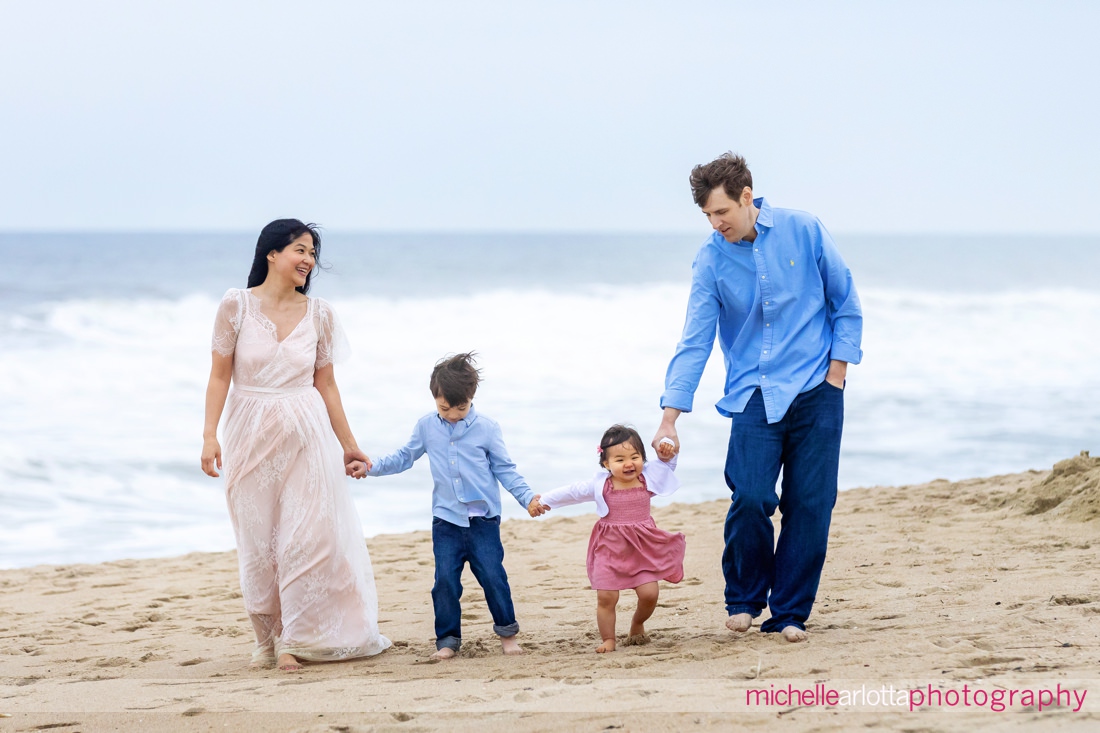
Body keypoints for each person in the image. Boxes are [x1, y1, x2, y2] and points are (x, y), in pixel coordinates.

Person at [652, 152, 863, 643]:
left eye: (721, 211)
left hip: (817, 389)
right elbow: (695, 340)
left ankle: (789, 612)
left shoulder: (804, 230)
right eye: (707, 215)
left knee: (810, 504)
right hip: (752, 393)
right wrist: (670, 418)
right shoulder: (710, 259)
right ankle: (745, 599)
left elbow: (845, 302)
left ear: (747, 197)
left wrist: (837, 374)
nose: (715, 223)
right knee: (749, 496)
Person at [201, 219, 391, 671]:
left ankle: (295, 641)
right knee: (258, 542)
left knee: (304, 540)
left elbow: (326, 385)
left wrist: (349, 444)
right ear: (272, 253)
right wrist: (209, 435)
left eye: (312, 253)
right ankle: (266, 641)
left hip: (308, 434)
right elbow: (219, 375)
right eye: (300, 250)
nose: (308, 260)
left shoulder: (320, 314)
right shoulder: (236, 306)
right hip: (249, 433)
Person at [347, 353, 544, 660]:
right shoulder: (426, 427)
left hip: (483, 522)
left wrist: (528, 498)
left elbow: (506, 469)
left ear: (471, 397)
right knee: (445, 583)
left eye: (461, 407)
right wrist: (368, 467)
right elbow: (403, 458)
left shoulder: (488, 429)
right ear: (435, 399)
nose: (452, 414)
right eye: (444, 407)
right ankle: (448, 641)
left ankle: (508, 635)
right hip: (446, 522)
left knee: (493, 577)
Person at [535, 425, 685, 653]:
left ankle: (637, 623)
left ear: (643, 459)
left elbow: (666, 469)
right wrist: (545, 500)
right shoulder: (601, 486)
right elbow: (572, 492)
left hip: (642, 548)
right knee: (606, 597)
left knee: (649, 594)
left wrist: (666, 454)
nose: (628, 464)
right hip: (609, 548)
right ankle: (609, 639)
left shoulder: (647, 480)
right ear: (606, 464)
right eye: (619, 459)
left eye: (635, 457)